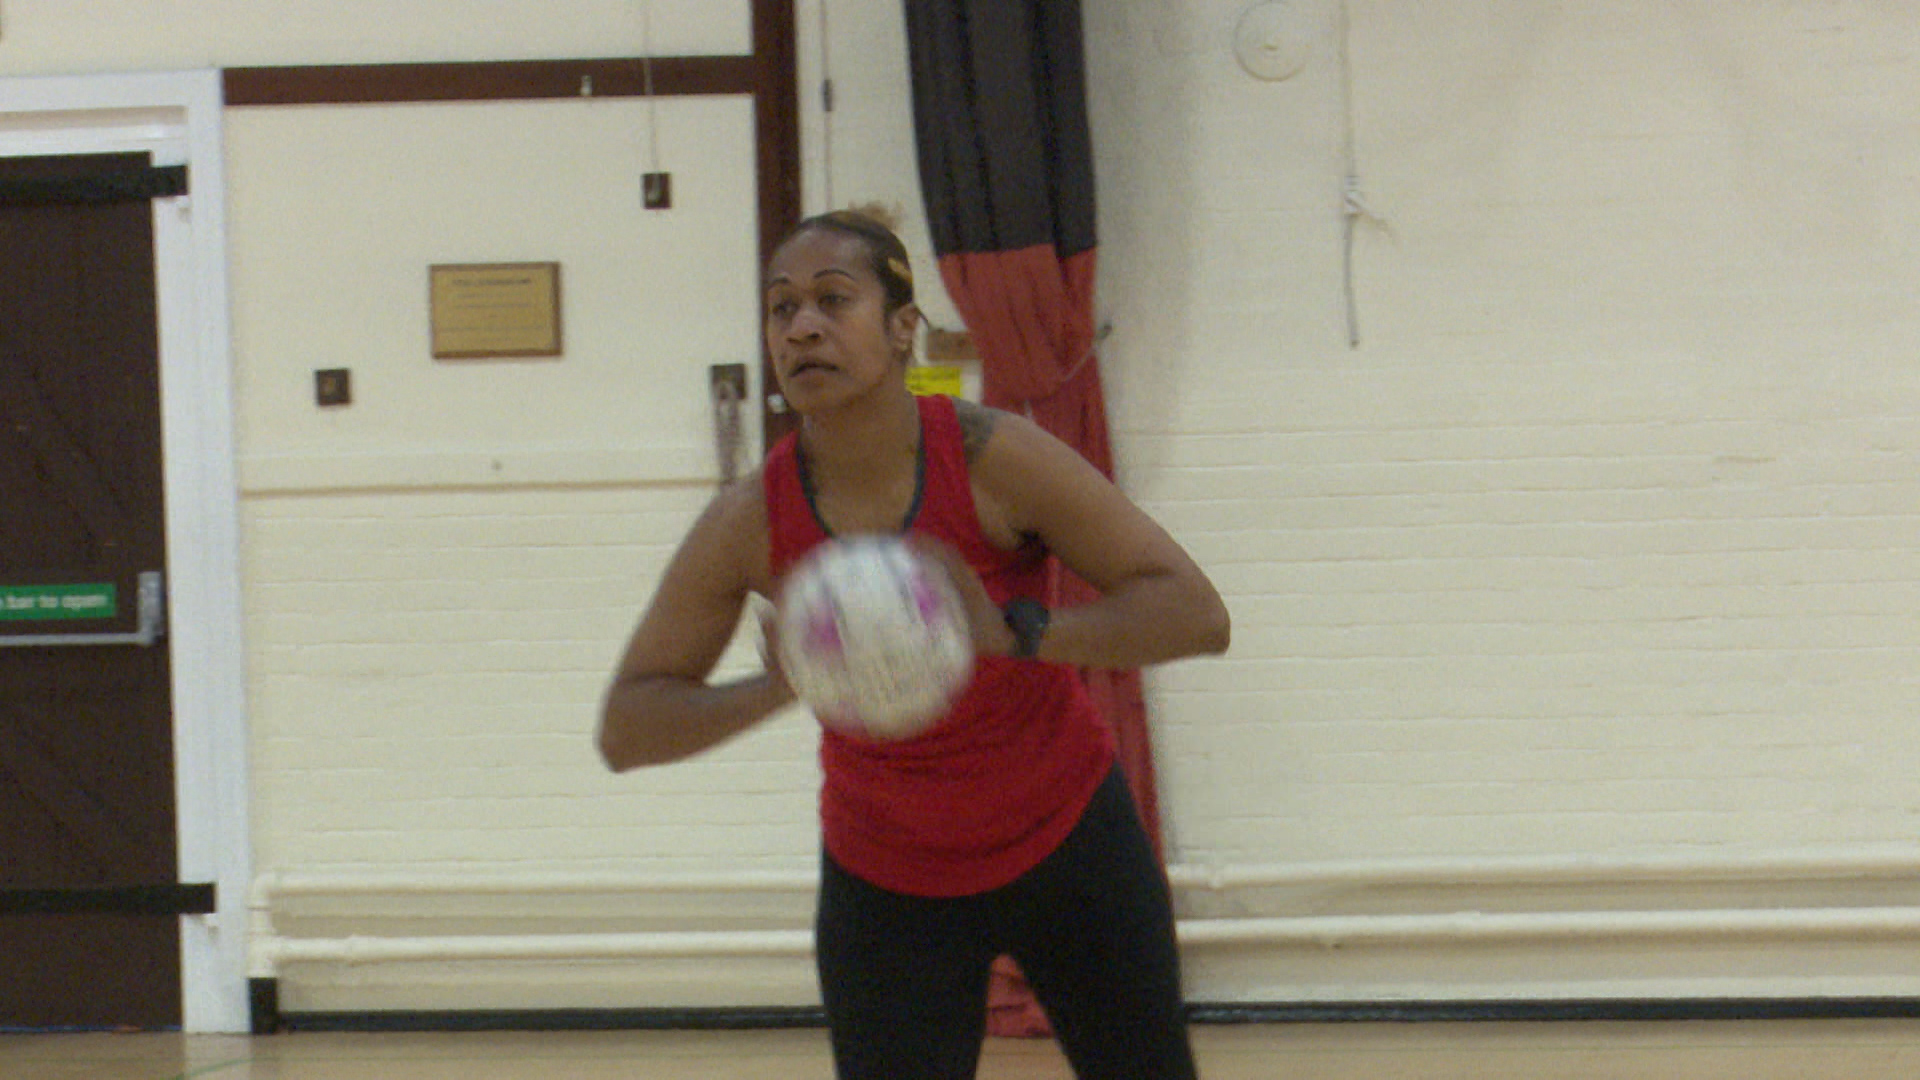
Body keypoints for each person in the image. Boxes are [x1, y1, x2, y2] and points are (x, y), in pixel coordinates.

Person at [597, 207, 1231, 1080]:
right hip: (886, 881)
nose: (802, 326)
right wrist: (778, 686)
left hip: (1069, 841)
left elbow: (1195, 613)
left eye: (832, 300)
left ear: (902, 329)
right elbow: (627, 728)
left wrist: (1018, 633)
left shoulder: (993, 456)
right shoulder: (750, 519)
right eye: (782, 308)